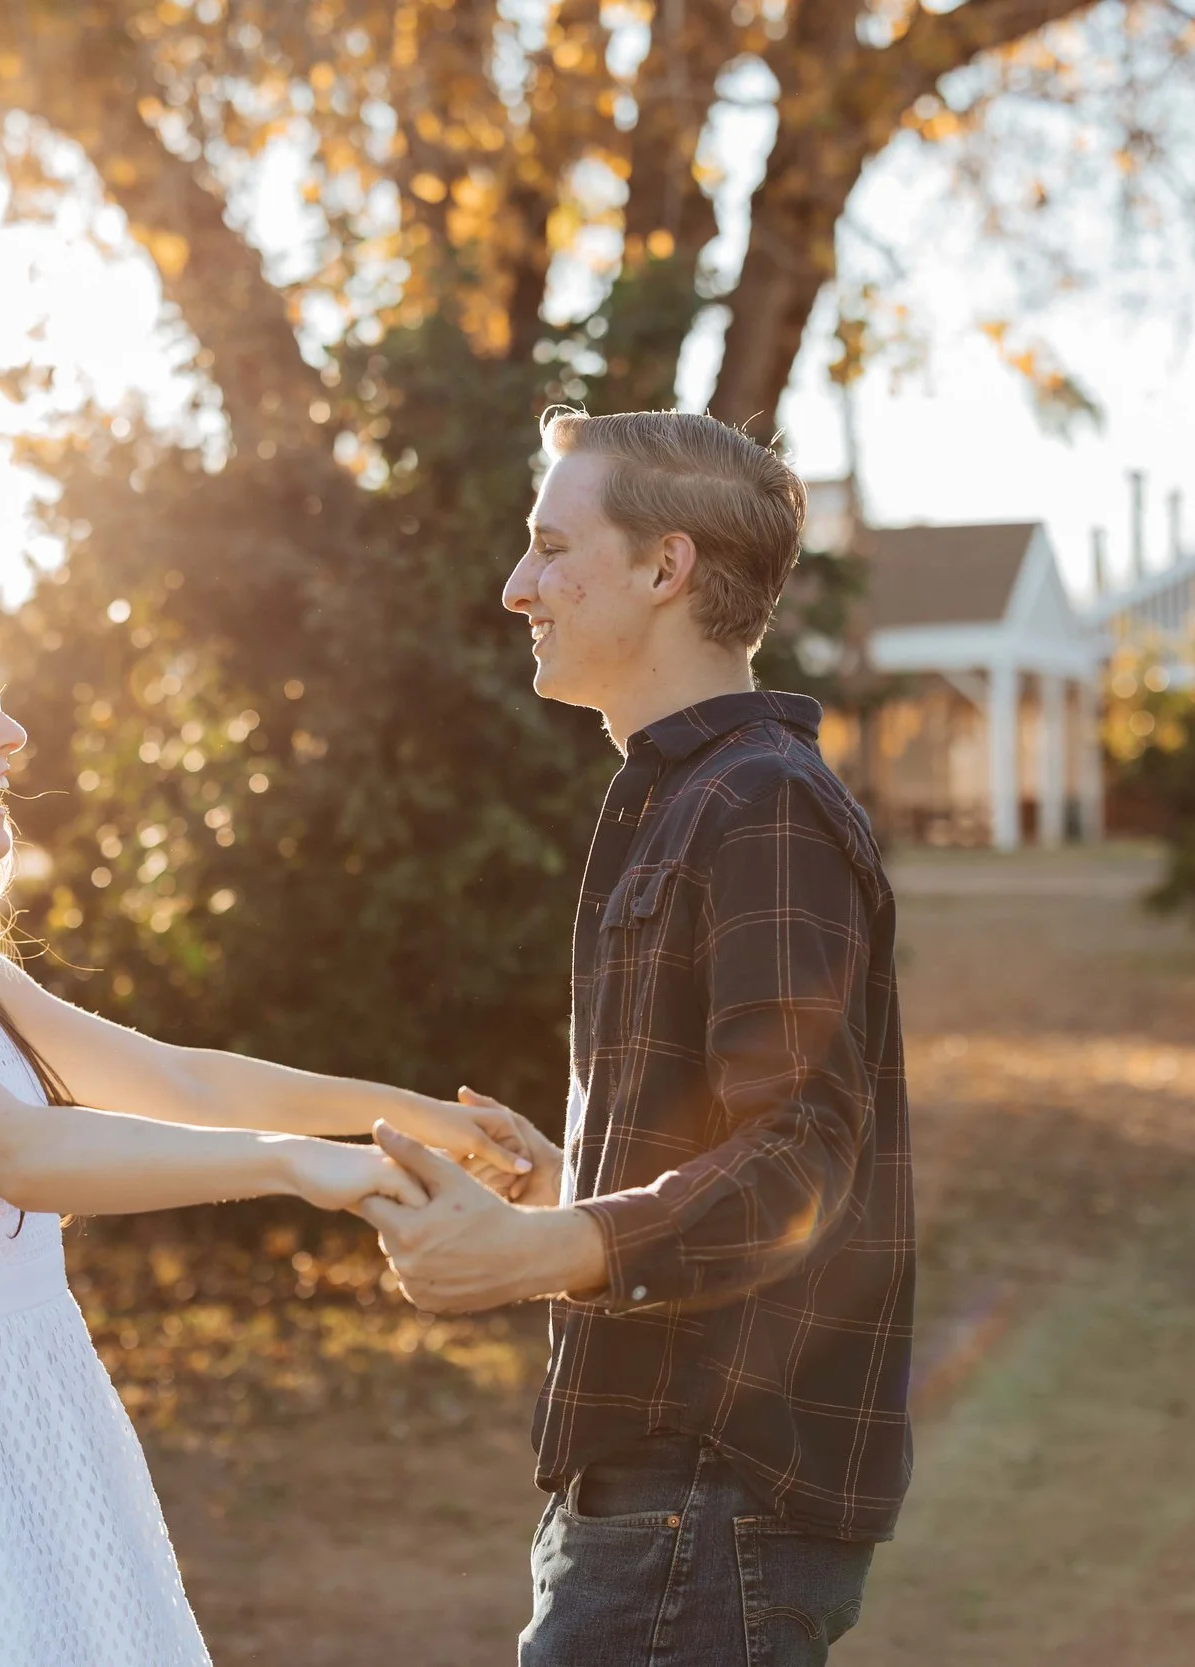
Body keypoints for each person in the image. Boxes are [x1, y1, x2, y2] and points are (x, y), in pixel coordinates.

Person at [0, 603, 530, 1666]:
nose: (10, 735)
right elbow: (17, 1151)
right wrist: (295, 1166)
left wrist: (425, 1119)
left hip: (42, 1411)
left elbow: (179, 1076)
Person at [361, 409, 915, 1666]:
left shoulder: (761, 803)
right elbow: (742, 1141)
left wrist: (543, 1246)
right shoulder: (686, 796)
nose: (517, 589)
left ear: (666, 570)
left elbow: (801, 1158)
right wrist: (572, 1184)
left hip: (707, 1494)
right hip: (655, 1496)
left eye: (552, 548)